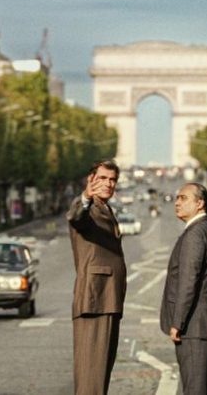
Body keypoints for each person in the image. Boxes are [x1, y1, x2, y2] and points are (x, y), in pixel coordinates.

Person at [67, 159, 127, 395]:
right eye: (102, 178)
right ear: (90, 180)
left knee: (100, 373)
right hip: (95, 299)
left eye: (112, 180)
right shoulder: (88, 207)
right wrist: (85, 197)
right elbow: (75, 217)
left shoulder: (106, 208)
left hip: (107, 298)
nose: (108, 184)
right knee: (90, 375)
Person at [160, 183, 207, 395]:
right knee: (206, 387)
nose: (177, 202)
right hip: (206, 322)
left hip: (193, 325)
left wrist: (177, 323)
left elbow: (189, 282)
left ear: (200, 203)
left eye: (183, 198)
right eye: (177, 198)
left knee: (195, 388)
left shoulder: (195, 235)